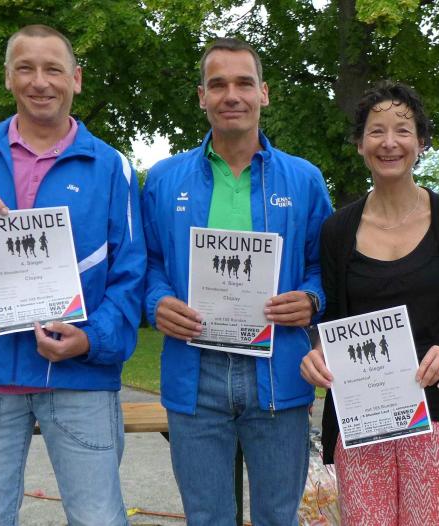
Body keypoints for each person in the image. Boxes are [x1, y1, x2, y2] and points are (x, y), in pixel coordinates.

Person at [0, 25, 145, 525]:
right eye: (26, 68)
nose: (40, 81)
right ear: (8, 78)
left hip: (80, 379)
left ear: (76, 79)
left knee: (98, 519)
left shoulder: (111, 166)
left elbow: (130, 274)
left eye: (53, 69)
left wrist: (91, 340)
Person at [142, 37, 333, 525]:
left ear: (263, 93)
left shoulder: (304, 179)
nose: (232, 95)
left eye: (244, 83)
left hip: (279, 371)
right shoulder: (164, 179)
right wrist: (157, 301)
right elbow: (148, 263)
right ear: (201, 96)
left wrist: (312, 298)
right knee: (207, 517)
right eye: (218, 84)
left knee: (278, 517)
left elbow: (326, 267)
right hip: (193, 372)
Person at [300, 81, 439, 525]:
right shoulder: (337, 230)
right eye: (376, 131)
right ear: (360, 144)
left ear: (421, 142)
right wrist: (317, 353)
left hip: (437, 405)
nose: (389, 142)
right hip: (362, 413)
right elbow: (333, 319)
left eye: (402, 130)